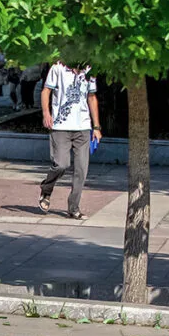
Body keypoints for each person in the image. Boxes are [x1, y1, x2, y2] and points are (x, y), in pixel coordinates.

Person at [40, 57, 101, 218]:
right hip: (61, 126)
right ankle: (46, 189)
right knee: (61, 164)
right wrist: (46, 113)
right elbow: (46, 91)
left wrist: (96, 127)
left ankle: (73, 208)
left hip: (83, 127)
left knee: (81, 170)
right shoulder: (58, 67)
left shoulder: (89, 68)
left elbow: (91, 97)